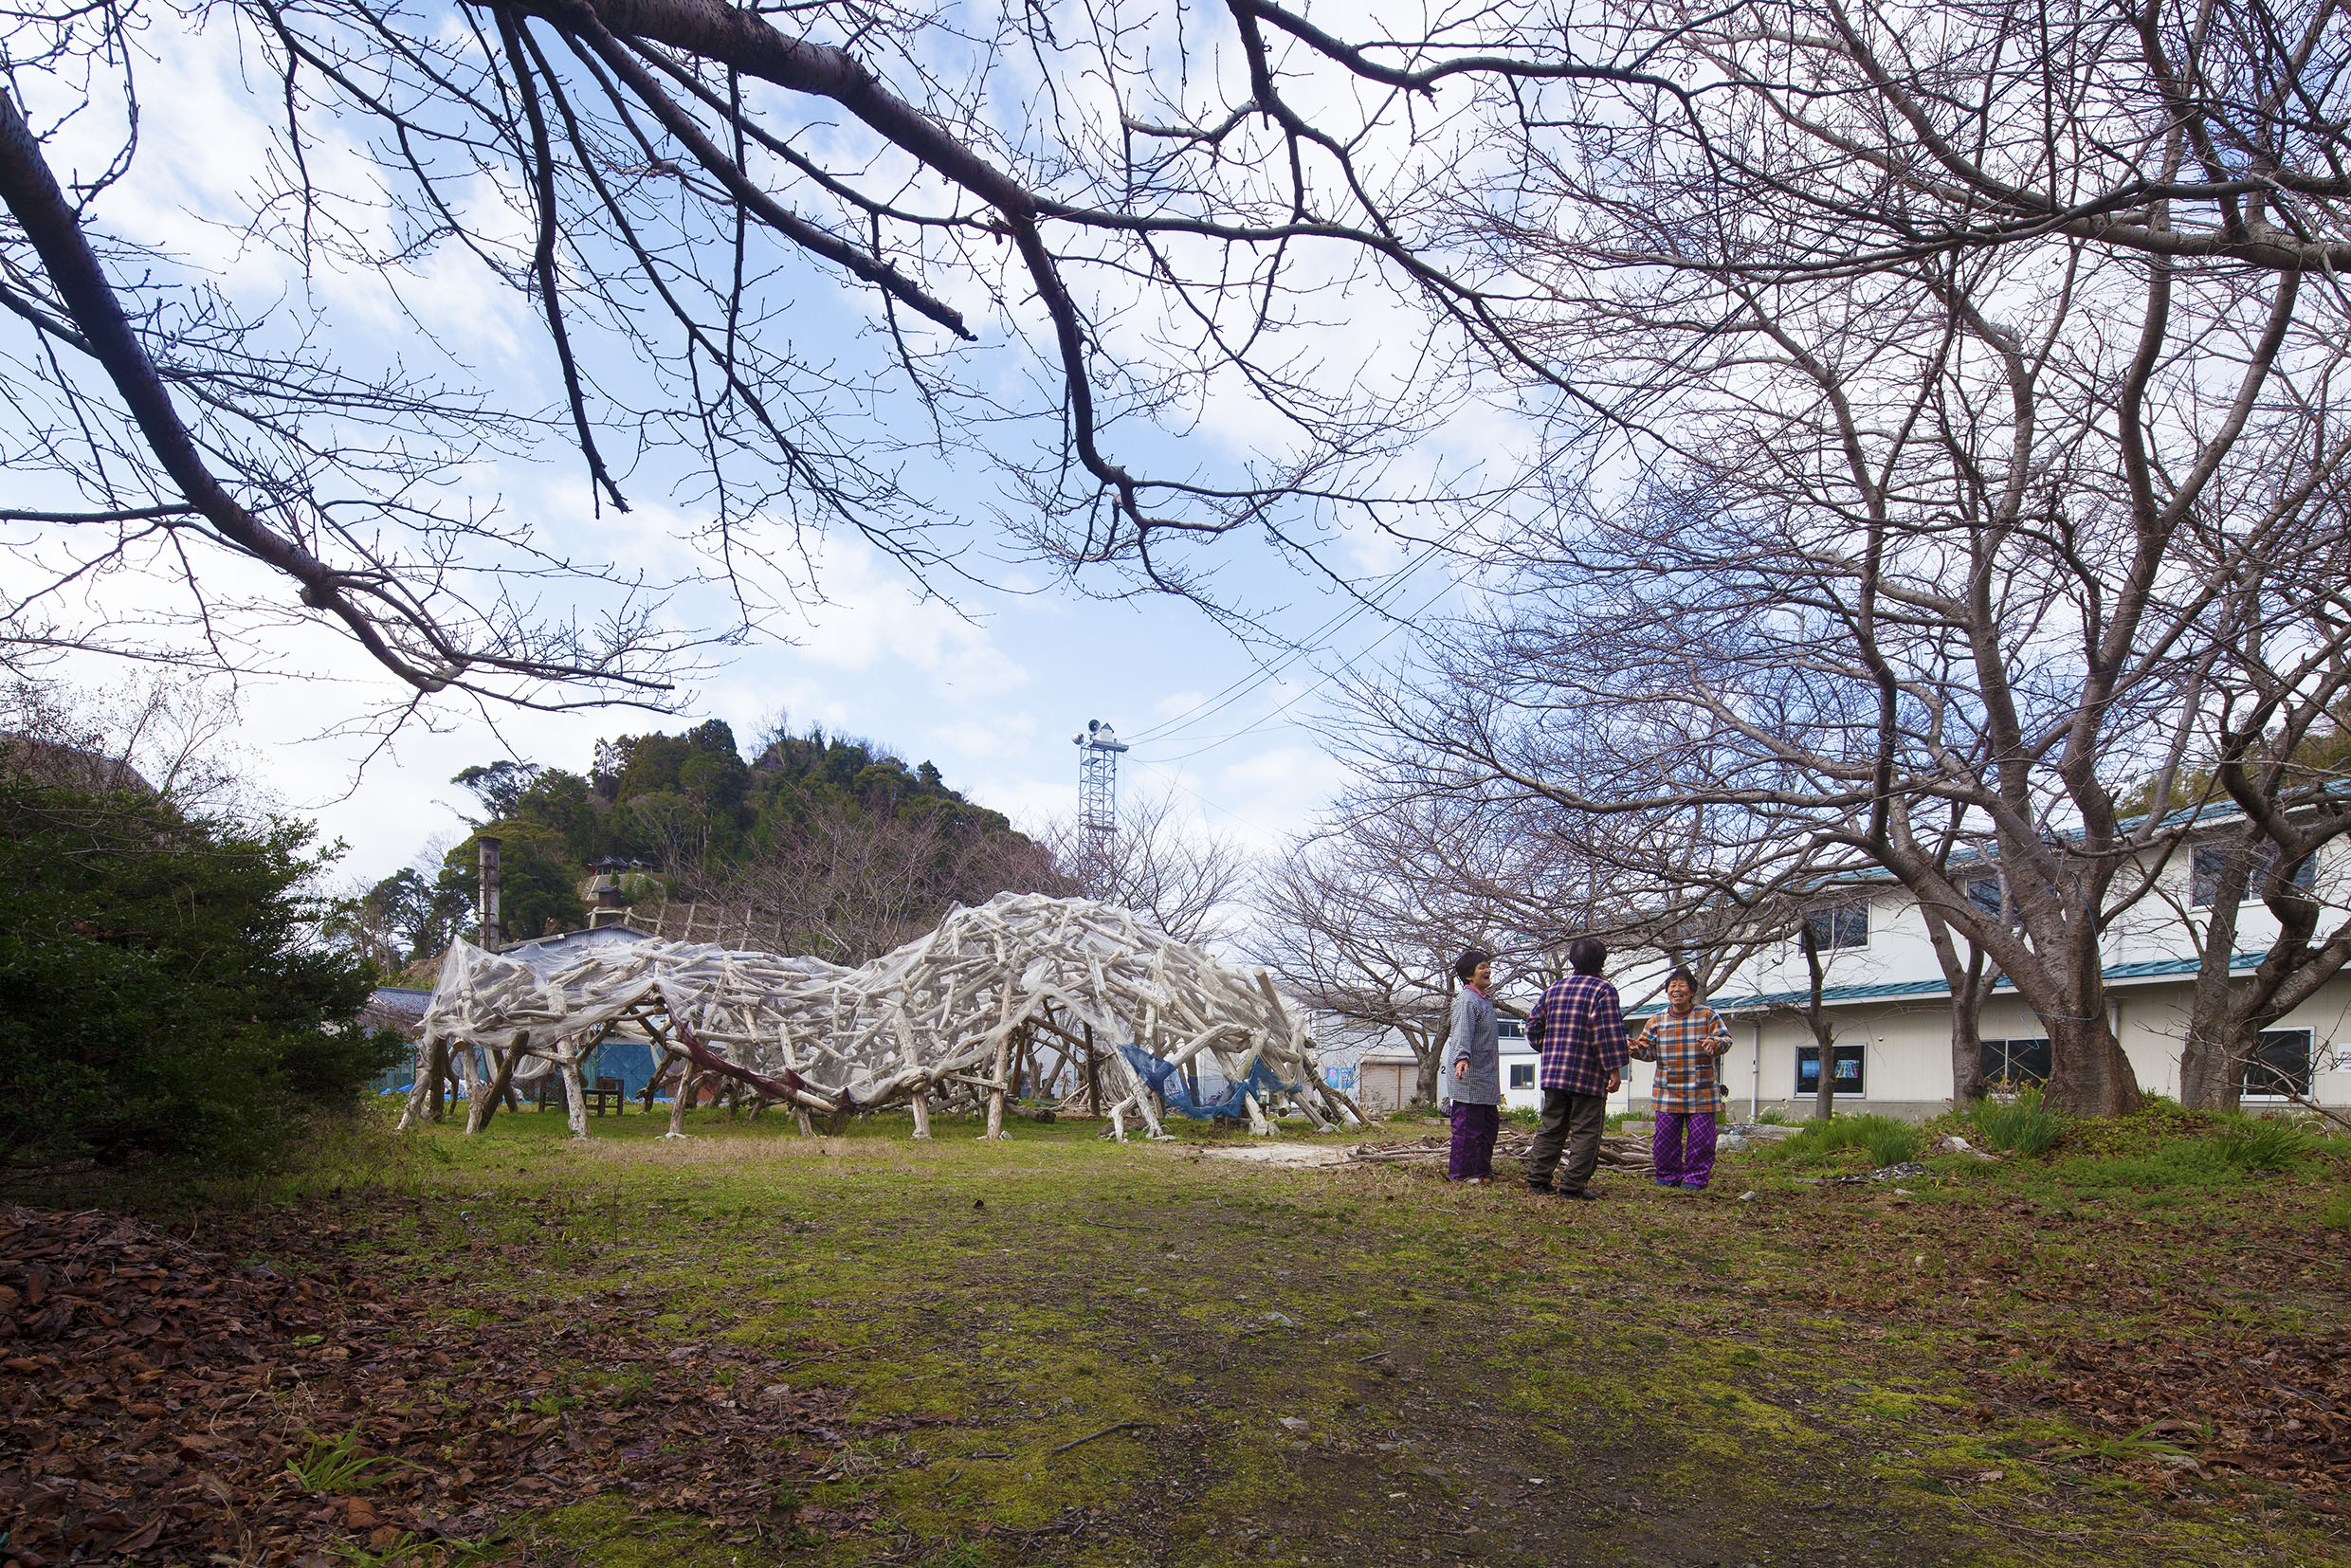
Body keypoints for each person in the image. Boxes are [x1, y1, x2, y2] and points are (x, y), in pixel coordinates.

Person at [1522, 936, 1630, 1200]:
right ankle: (1572, 1186)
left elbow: (1533, 1026)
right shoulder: (1603, 990)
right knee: (1586, 1131)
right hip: (1588, 1074)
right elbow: (1607, 1032)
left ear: (1572, 961)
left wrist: (1548, 1049)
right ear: (1602, 962)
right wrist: (1614, 1069)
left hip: (1554, 1072)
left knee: (1552, 1125)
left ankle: (1538, 1180)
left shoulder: (1553, 989)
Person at [1631, 966, 1735, 1192]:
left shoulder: (1707, 1015)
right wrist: (1636, 1049)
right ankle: (1668, 1176)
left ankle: (1695, 1179)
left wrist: (1714, 1044)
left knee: (1701, 1140)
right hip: (1667, 1091)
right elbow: (1649, 1051)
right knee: (1665, 1140)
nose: (1676, 989)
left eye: (1682, 984)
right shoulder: (1657, 1020)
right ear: (1667, 991)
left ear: (1692, 990)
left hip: (1701, 1090)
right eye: (1672, 985)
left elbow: (1726, 1039)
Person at [1440, 948, 1501, 1182]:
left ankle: (1482, 1171)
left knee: (1488, 1128)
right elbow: (1461, 1033)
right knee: (1468, 1131)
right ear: (1468, 976)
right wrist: (1462, 1058)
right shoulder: (1466, 1000)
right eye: (1481, 967)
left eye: (1487, 965)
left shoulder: (1484, 1000)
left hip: (1487, 1078)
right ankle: (1462, 1174)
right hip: (1469, 1077)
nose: (1487, 970)